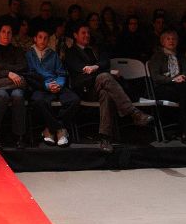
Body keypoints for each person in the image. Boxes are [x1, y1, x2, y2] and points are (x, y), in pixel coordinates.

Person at [65, 23, 153, 152]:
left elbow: (106, 62)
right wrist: (106, 71)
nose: (87, 35)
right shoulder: (71, 52)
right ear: (75, 35)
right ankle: (133, 113)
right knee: (105, 76)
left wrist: (96, 67)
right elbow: (83, 71)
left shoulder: (95, 48)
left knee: (106, 94)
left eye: (88, 32)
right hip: (85, 89)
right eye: (83, 33)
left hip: (102, 86)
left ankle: (105, 139)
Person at [26, 29, 81, 147]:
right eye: (40, 37)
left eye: (45, 38)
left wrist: (59, 84)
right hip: (41, 86)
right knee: (38, 101)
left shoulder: (53, 54)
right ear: (35, 39)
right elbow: (30, 75)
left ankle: (50, 129)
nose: (43, 40)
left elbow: (61, 73)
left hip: (56, 84)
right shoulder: (29, 54)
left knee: (74, 100)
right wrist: (46, 86)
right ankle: (60, 130)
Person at [0, 23, 29, 148]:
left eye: (9, 32)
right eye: (3, 32)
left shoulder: (17, 51)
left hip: (15, 85)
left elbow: (22, 67)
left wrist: (0, 67)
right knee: (2, 96)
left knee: (18, 96)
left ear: (12, 35)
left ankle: (19, 136)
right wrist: (8, 73)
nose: (6, 35)